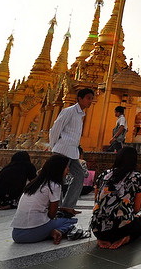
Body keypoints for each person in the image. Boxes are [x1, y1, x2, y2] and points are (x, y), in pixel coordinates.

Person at [10, 154, 83, 244]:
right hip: (33, 232)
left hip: (17, 234)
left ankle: (50, 231)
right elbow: (52, 215)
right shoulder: (54, 185)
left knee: (59, 217)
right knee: (71, 221)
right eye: (66, 167)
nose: (68, 169)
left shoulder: (34, 183)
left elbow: (38, 206)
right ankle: (57, 231)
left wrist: (62, 209)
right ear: (58, 169)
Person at [91, 147, 141, 249]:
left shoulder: (104, 174)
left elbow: (97, 200)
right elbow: (137, 209)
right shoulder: (137, 177)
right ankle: (126, 238)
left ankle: (102, 238)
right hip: (121, 230)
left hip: (97, 228)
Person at [49, 88, 94, 216]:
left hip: (72, 151)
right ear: (79, 98)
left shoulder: (80, 115)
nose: (90, 101)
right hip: (62, 150)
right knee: (59, 178)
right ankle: (56, 205)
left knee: (80, 176)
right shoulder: (68, 111)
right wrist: (54, 146)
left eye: (91, 98)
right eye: (88, 98)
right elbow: (55, 129)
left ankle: (67, 206)